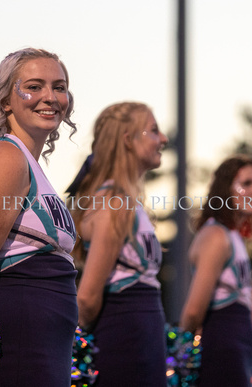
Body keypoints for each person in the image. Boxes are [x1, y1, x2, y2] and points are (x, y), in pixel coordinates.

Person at [0, 48, 79, 386]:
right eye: (34, 87)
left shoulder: (29, 164)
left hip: (44, 343)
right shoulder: (5, 156)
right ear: (6, 101)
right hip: (19, 342)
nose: (50, 97)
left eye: (59, 87)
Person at [67, 102, 168, 386]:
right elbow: (86, 298)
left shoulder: (126, 201)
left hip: (141, 338)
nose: (164, 139)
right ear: (128, 141)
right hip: (124, 340)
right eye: (154, 131)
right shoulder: (114, 203)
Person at [179, 154, 252, 386]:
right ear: (225, 189)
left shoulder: (233, 235)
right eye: (247, 183)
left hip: (236, 344)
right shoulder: (216, 235)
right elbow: (195, 309)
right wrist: (179, 349)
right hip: (222, 344)